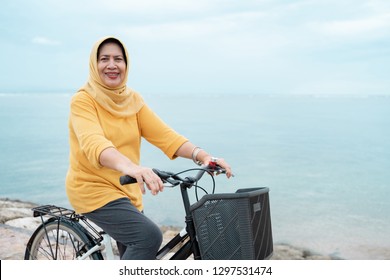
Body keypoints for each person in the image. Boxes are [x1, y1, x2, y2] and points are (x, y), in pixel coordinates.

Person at [65, 36, 233, 260]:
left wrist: (203, 156)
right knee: (149, 237)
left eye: (118, 59)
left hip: (127, 190)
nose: (112, 65)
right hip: (92, 189)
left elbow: (165, 136)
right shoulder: (83, 101)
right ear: (94, 65)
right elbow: (95, 144)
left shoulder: (133, 100)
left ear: (127, 64)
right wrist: (132, 168)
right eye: (104, 59)